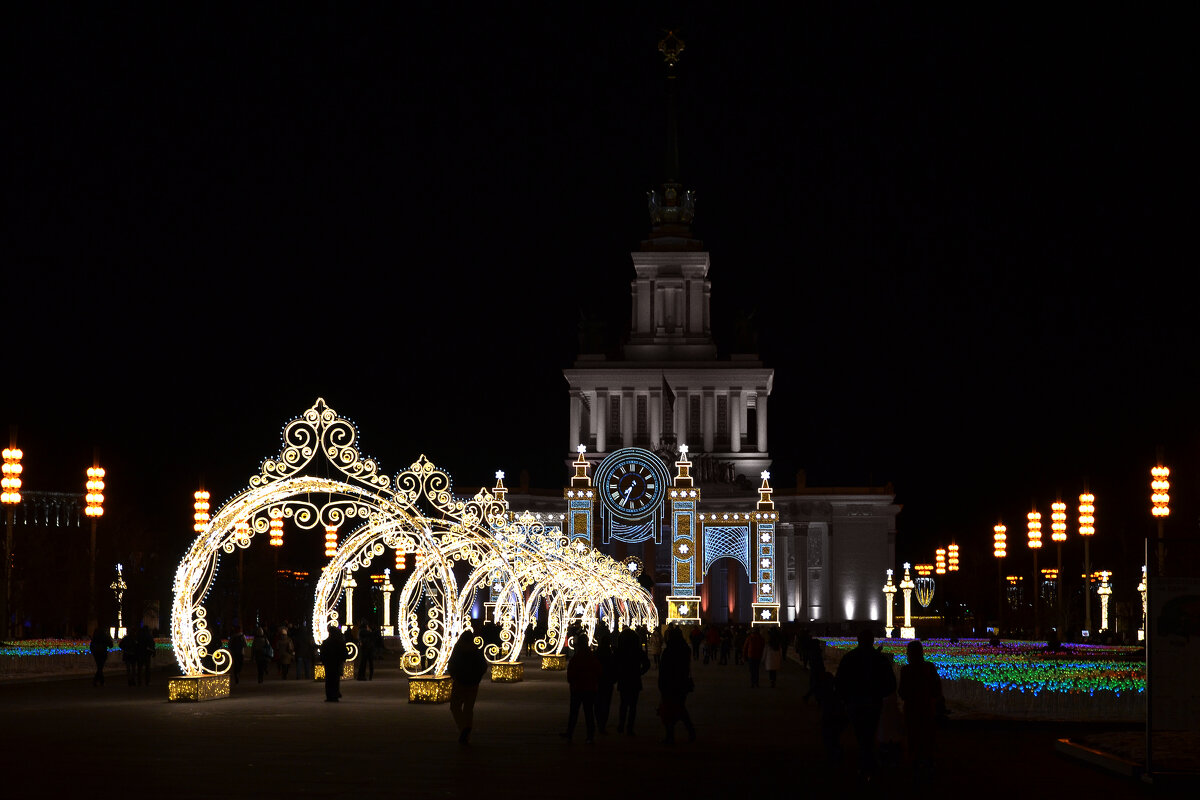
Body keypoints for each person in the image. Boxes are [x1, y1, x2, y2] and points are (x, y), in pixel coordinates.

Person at [835, 629, 896, 779]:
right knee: (869, 732)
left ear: (858, 640)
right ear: (873, 641)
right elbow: (891, 684)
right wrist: (881, 695)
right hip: (873, 702)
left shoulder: (849, 658)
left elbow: (840, 681)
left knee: (861, 734)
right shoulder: (879, 659)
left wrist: (844, 698)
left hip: (854, 702)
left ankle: (865, 764)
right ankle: (869, 764)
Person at [898, 639, 943, 778]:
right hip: (927, 708)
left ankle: (915, 766)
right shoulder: (929, 668)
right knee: (927, 738)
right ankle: (928, 764)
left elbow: (902, 692)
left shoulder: (906, 670)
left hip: (912, 709)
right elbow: (937, 689)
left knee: (913, 737)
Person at [447, 629, 487, 744]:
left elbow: (452, 665)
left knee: (455, 706)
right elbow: (483, 667)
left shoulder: (458, 650)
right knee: (469, 709)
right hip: (473, 684)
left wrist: (455, 676)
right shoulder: (476, 651)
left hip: (459, 682)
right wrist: (477, 678)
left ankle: (463, 728)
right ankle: (467, 730)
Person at [657, 626, 695, 744]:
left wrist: (661, 684)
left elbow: (663, 670)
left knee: (671, 710)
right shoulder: (685, 649)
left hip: (670, 685)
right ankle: (690, 731)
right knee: (680, 708)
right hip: (681, 684)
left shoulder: (669, 651)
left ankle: (670, 736)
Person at [562, 633, 600, 743]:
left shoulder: (577, 657)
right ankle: (590, 736)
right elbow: (598, 671)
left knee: (574, 713)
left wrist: (572, 682)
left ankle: (570, 733)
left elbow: (571, 673)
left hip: (577, 688)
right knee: (589, 713)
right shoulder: (592, 656)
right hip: (590, 688)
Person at [804, 667, 845, 764]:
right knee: (834, 737)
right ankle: (836, 754)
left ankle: (833, 754)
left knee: (829, 737)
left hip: (829, 718)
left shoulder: (825, 695)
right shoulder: (836, 695)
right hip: (837, 718)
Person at [614, 627, 650, 735]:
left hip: (624, 679)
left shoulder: (620, 651)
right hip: (634, 679)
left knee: (623, 704)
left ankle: (621, 725)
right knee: (633, 706)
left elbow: (614, 664)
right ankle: (629, 727)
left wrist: (618, 673)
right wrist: (640, 672)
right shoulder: (637, 651)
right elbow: (647, 664)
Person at [594, 634, 616, 734]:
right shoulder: (610, 654)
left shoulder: (596, 653)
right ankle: (602, 724)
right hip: (608, 682)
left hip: (597, 682)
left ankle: (599, 722)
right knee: (606, 704)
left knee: (597, 703)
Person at [320, 624, 347, 702]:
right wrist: (343, 659)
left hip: (328, 664)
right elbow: (344, 652)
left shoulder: (326, 642)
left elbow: (322, 653)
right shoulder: (340, 642)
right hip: (337, 663)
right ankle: (335, 695)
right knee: (335, 680)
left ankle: (329, 696)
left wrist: (323, 661)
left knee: (328, 680)